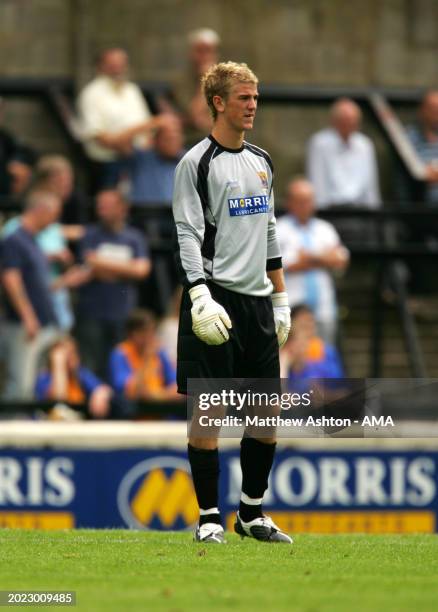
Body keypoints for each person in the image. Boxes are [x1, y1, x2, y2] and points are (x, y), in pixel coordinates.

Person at [173, 61, 292, 544]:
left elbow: (268, 232)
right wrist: (199, 295)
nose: (252, 106)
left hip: (257, 304)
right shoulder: (196, 164)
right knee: (209, 416)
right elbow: (186, 233)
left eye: (256, 98)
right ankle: (207, 519)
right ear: (218, 102)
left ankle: (251, 514)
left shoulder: (262, 160)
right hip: (214, 299)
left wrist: (281, 300)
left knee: (266, 418)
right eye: (244, 98)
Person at [63, 189, 151, 379]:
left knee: (120, 369)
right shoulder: (91, 234)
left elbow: (142, 270)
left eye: (107, 206)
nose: (101, 210)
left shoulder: (134, 237)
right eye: (99, 206)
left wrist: (100, 263)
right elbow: (86, 267)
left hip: (123, 314)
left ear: (122, 208)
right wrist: (125, 268)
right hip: (91, 314)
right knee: (91, 367)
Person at [77, 47, 168, 192]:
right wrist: (129, 139)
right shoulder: (92, 93)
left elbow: (148, 129)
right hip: (109, 163)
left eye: (121, 64)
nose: (118, 69)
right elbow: (99, 137)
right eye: (112, 64)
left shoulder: (132, 90)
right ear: (100, 66)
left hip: (140, 158)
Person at [0, 190, 61, 399]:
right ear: (40, 210)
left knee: (31, 384)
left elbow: (39, 284)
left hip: (39, 324)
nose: (54, 221)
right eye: (54, 214)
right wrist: (28, 316)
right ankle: (10, 429)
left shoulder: (32, 241)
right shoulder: (14, 240)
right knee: (20, 385)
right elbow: (10, 279)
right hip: (23, 325)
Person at [276, 178, 349, 345]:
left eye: (309, 200)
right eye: (300, 201)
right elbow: (286, 264)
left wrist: (308, 257)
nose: (305, 205)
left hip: (324, 309)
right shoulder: (278, 229)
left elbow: (341, 260)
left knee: (323, 358)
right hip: (292, 310)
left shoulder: (325, 229)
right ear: (289, 202)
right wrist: (324, 258)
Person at [306, 98, 381, 208]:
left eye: (353, 121)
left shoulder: (365, 144)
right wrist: (320, 210)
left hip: (360, 210)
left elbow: (370, 184)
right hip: (331, 208)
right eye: (345, 121)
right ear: (334, 121)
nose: (349, 124)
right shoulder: (320, 143)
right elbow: (317, 180)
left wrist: (374, 210)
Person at [109, 309, 178, 403]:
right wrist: (146, 359)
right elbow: (133, 392)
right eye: (144, 332)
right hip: (133, 412)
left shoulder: (159, 352)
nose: (149, 336)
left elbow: (178, 388)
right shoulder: (120, 353)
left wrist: (156, 396)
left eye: (152, 331)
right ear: (132, 333)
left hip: (161, 411)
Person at [35, 336, 113, 419]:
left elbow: (104, 389)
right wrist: (59, 365)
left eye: (74, 352)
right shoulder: (45, 378)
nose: (74, 357)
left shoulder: (79, 374)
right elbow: (59, 397)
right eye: (68, 354)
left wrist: (100, 394)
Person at [281, 304, 345, 394]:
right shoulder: (283, 353)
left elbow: (340, 390)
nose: (308, 333)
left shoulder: (327, 353)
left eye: (311, 326)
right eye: (303, 327)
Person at [173, 28, 221, 147]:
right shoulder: (181, 82)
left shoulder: (227, 80)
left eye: (208, 51)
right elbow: (194, 116)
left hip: (221, 140)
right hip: (191, 142)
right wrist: (206, 81)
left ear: (216, 55)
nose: (204, 56)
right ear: (191, 53)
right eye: (200, 51)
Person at [129, 118, 185, 205]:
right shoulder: (142, 157)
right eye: (168, 139)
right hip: (146, 213)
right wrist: (153, 123)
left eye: (176, 139)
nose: (172, 143)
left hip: (180, 214)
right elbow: (118, 143)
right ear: (155, 141)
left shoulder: (190, 160)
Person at [396, 90, 438, 206]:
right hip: (419, 208)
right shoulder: (408, 138)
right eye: (432, 108)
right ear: (422, 110)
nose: (436, 112)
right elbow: (415, 172)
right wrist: (426, 174)